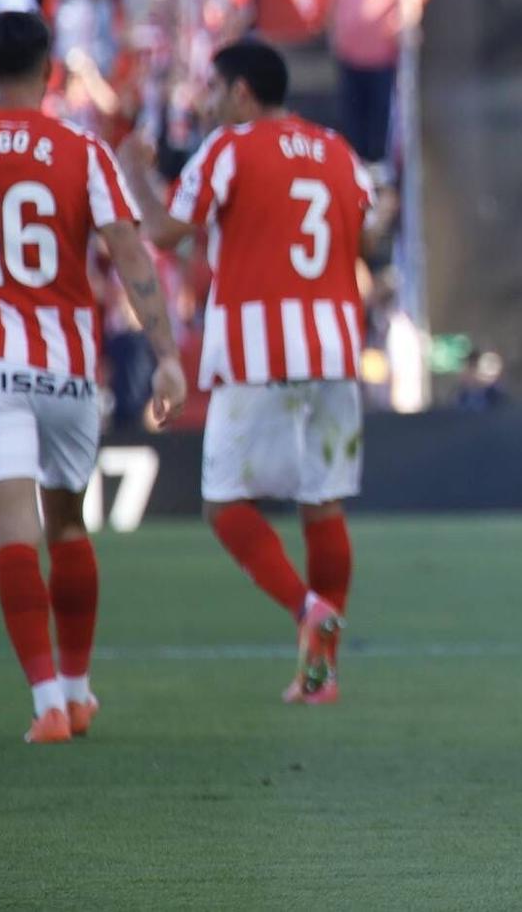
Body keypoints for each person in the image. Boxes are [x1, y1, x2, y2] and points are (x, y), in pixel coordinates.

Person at [0, 11, 186, 742]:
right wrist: (168, 353)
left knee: (14, 535)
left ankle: (47, 700)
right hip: (66, 371)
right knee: (70, 527)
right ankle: (80, 691)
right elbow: (132, 258)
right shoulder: (83, 151)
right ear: (50, 70)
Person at [120, 37, 379, 705]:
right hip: (332, 351)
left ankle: (304, 609)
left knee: (225, 504)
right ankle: (321, 674)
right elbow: (372, 237)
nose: (205, 102)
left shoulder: (231, 148)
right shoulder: (339, 152)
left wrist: (134, 173)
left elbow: (168, 231)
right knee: (322, 506)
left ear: (241, 92)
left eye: (213, 88)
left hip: (257, 352)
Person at [329, 0, 427, 169]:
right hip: (350, 61)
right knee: (352, 120)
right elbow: (335, 8)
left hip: (383, 64)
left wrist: (404, 26)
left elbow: (412, 4)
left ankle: (379, 172)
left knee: (380, 124)